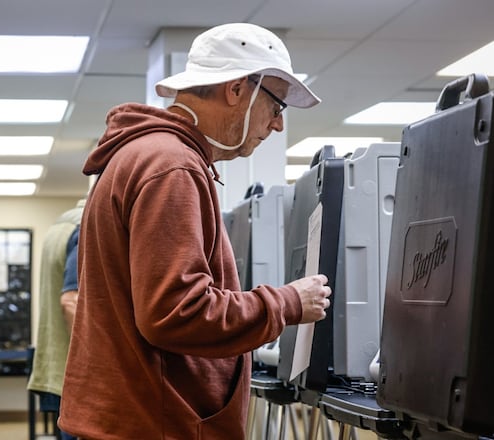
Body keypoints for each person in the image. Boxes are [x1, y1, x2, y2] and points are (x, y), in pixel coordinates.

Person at [58, 23, 332, 439]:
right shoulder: (171, 167)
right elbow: (176, 313)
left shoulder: (149, 156)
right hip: (157, 424)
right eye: (277, 106)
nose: (277, 125)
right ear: (237, 89)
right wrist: (287, 303)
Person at [27, 199, 84, 440]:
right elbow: (71, 301)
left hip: (57, 362)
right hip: (78, 370)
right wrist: (90, 364)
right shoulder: (85, 226)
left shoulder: (62, 223)